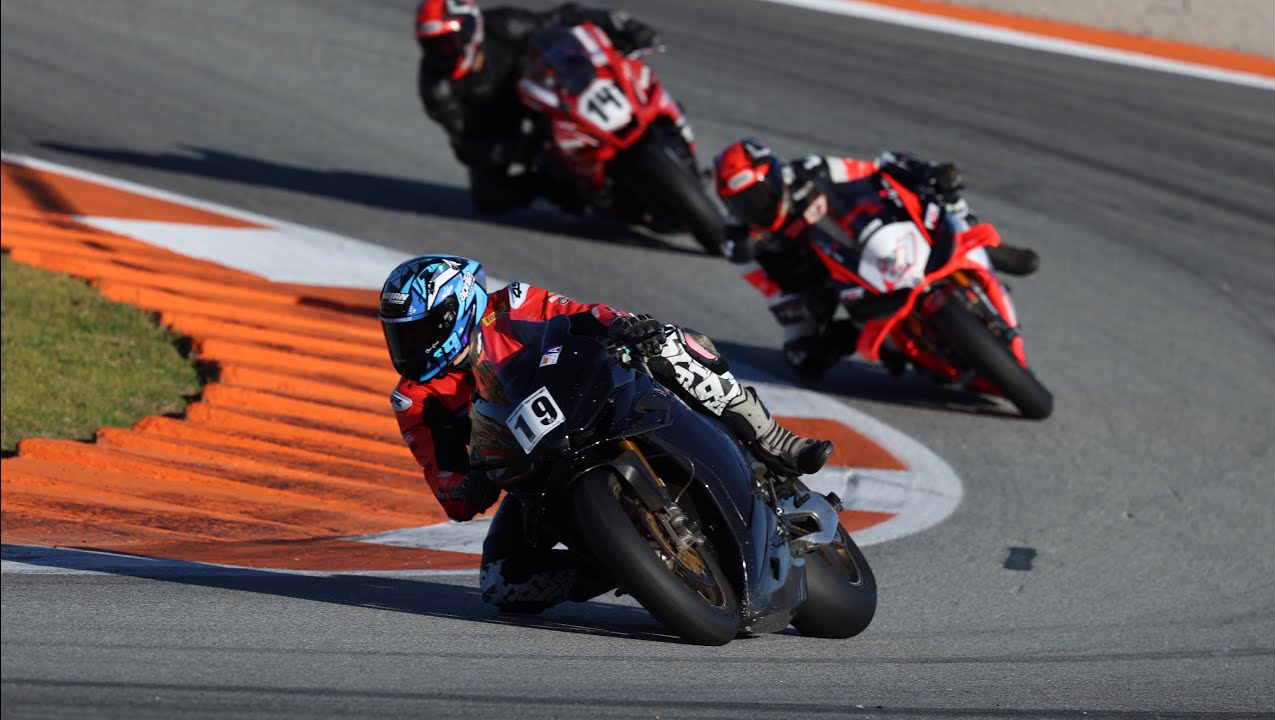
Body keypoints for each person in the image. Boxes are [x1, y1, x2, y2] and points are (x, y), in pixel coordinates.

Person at [379, 254, 832, 613]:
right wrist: (477, 475)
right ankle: (625, 564)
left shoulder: (511, 304)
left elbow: (586, 315)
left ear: (458, 311)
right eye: (399, 336)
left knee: (670, 342)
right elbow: (451, 493)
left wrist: (623, 326)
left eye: (419, 332)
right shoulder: (416, 399)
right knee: (502, 585)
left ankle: (769, 437)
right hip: (534, 473)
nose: (409, 348)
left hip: (599, 404)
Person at [712, 137, 1041, 380]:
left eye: (759, 195)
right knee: (803, 359)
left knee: (922, 178)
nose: (756, 207)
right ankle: (870, 336)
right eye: (743, 204)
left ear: (773, 175)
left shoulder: (808, 170)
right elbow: (773, 292)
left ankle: (987, 246)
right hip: (821, 283)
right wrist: (803, 305)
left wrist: (925, 174)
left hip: (871, 242)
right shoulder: (738, 241)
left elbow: (874, 171)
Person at [414, 0, 659, 215]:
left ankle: (659, 120)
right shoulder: (437, 89)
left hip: (549, 89)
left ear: (469, 29)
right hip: (503, 126)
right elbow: (466, 144)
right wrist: (517, 149)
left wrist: (619, 23)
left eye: (448, 42)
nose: (442, 52)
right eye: (433, 45)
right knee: (489, 196)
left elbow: (562, 17)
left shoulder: (504, 25)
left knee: (613, 66)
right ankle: (570, 192)